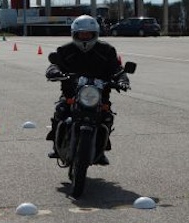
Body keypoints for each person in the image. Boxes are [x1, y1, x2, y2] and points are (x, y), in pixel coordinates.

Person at [45, 14, 130, 165]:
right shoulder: (65, 50)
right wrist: (54, 71)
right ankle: (57, 147)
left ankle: (101, 149)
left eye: (88, 34)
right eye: (81, 34)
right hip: (71, 94)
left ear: (95, 34)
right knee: (61, 110)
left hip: (99, 96)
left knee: (107, 117)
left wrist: (122, 79)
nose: (85, 37)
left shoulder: (106, 50)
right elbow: (55, 64)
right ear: (75, 34)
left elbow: (116, 69)